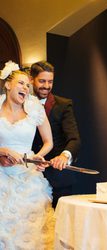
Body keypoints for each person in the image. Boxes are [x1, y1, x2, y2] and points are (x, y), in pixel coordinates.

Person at [0, 61, 55, 249]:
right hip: (1, 175)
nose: (26, 87)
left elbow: (49, 142)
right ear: (8, 85)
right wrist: (3, 151)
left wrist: (37, 156)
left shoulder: (34, 109)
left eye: (27, 85)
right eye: (21, 83)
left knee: (29, 231)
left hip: (27, 175)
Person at [30, 61, 81, 208]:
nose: (46, 85)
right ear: (31, 79)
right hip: (28, 176)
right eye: (42, 81)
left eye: (50, 81)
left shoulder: (64, 104)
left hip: (58, 177)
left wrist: (64, 156)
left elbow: (74, 139)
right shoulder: (20, 104)